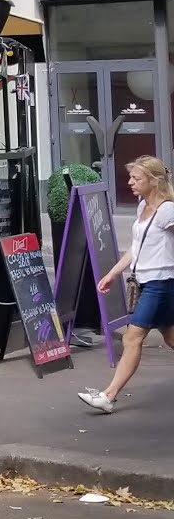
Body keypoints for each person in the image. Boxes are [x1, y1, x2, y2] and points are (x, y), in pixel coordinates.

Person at [80, 156, 174, 414]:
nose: (130, 182)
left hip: (161, 283)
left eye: (136, 178)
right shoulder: (143, 206)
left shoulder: (167, 210)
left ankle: (108, 397)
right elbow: (136, 247)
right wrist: (113, 273)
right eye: (131, 177)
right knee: (170, 337)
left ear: (154, 181)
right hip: (146, 282)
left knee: (132, 338)